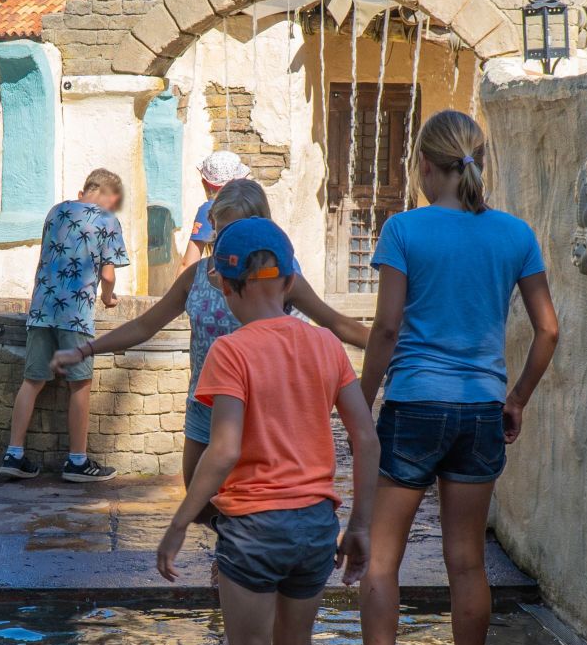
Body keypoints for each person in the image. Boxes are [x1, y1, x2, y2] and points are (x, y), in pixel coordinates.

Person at [156, 217, 384, 645]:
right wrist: (359, 524)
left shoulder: (231, 351)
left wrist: (179, 525)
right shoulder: (325, 347)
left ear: (226, 290)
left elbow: (223, 452)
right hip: (316, 523)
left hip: (254, 528)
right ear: (287, 278)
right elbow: (365, 437)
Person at [352, 111, 560, 645]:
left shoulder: (404, 230)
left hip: (414, 405)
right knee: (467, 564)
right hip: (479, 410)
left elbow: (386, 329)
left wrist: (362, 399)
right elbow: (548, 329)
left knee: (381, 562)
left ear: (425, 166)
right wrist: (516, 396)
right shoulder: (514, 235)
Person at [54, 178, 368, 494]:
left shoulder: (278, 279)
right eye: (221, 232)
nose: (226, 243)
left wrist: (390, 345)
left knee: (251, 500)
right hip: (204, 406)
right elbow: (145, 325)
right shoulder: (197, 277)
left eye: (237, 232)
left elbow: (336, 324)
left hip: (261, 410)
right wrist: (86, 350)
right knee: (200, 498)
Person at [0, 169, 131, 483]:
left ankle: (13, 454)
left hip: (42, 309)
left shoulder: (55, 211)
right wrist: (109, 299)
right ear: (111, 197)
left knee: (32, 381)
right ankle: (77, 461)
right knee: (80, 384)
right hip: (75, 314)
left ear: (84, 190)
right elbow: (109, 275)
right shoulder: (108, 220)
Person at [181, 150, 251, 269]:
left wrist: (177, 288)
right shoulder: (252, 204)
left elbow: (188, 264)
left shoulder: (210, 210)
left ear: (205, 182)